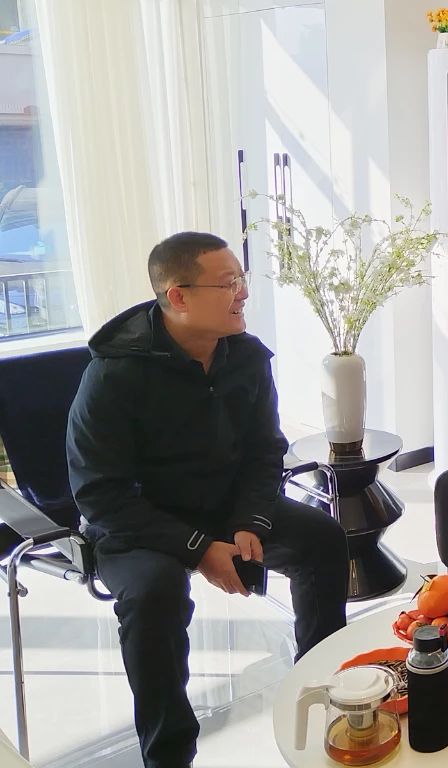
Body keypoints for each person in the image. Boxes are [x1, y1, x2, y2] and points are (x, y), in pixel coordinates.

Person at [67, 232, 348, 768]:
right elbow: (99, 494)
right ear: (178, 296)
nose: (243, 293)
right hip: (138, 524)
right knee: (154, 594)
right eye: (228, 283)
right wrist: (197, 547)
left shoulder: (246, 356)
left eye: (242, 278)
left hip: (223, 503)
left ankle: (318, 694)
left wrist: (251, 519)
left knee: (321, 539)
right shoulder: (113, 374)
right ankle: (168, 755)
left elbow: (266, 450)